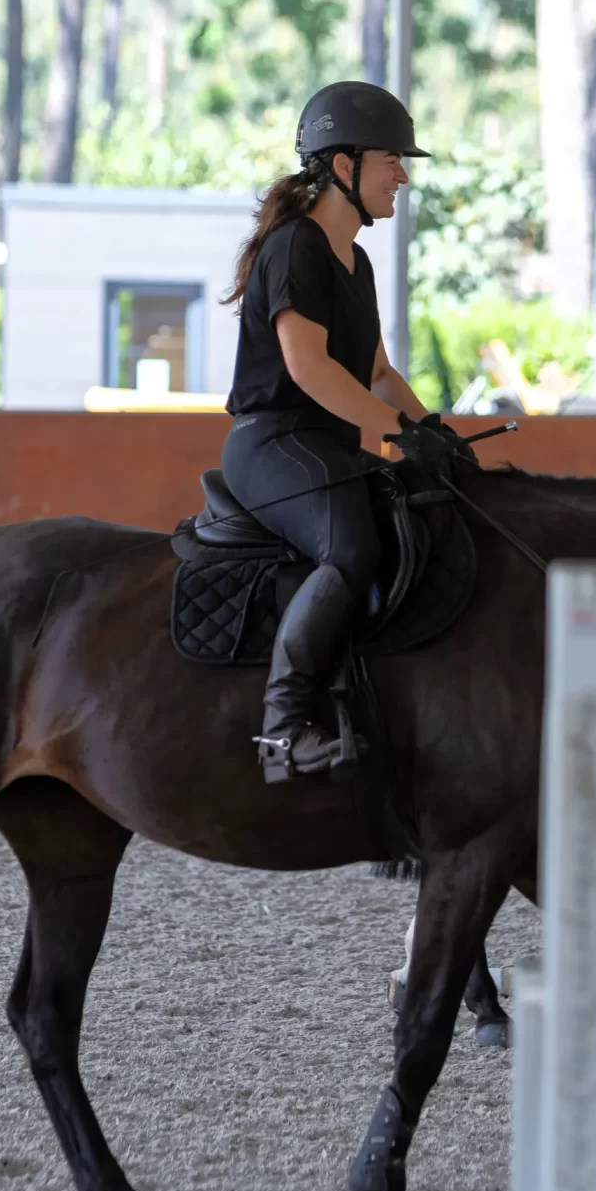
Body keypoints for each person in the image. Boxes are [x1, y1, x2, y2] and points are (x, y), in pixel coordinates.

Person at [221, 81, 470, 783]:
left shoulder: (356, 263)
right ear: (343, 165)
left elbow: (379, 371)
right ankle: (283, 729)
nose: (404, 175)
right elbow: (308, 368)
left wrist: (430, 430)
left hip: (326, 447)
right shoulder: (295, 246)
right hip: (272, 442)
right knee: (352, 545)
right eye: (393, 159)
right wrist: (395, 429)